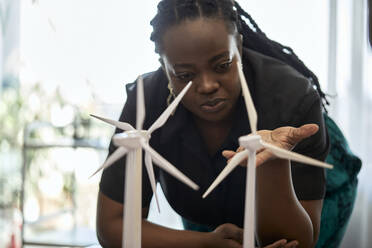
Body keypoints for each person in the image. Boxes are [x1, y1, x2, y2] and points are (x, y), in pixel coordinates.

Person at [96, 0, 330, 247]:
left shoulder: (292, 97)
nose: (207, 86)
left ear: (238, 46)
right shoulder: (146, 101)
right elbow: (112, 225)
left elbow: (298, 242)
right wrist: (205, 243)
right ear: (164, 68)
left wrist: (272, 165)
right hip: (207, 219)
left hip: (307, 188)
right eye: (185, 75)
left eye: (222, 65)